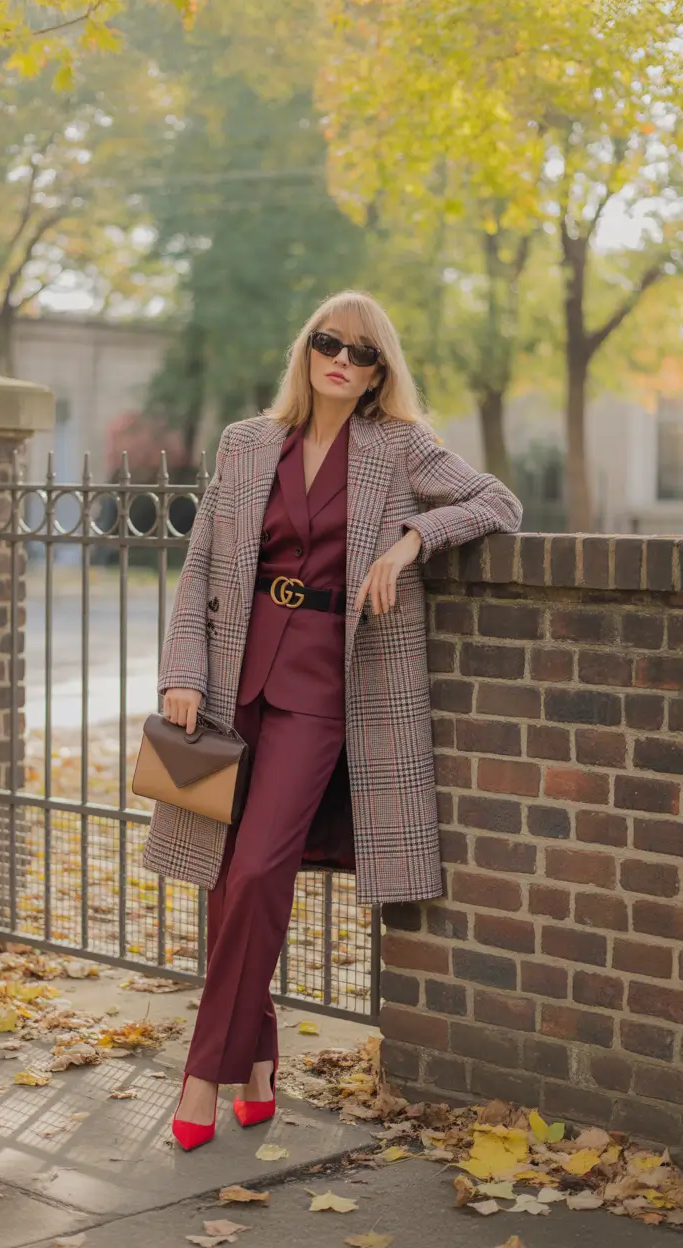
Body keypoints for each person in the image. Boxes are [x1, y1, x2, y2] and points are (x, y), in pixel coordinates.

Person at [142, 290, 522, 1149]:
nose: (342, 360)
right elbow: (200, 563)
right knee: (227, 874)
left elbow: (497, 503)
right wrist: (183, 673)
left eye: (363, 353)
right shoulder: (247, 444)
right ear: (305, 349)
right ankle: (262, 1060)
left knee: (257, 871)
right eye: (328, 343)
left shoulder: (398, 446)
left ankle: (203, 1073)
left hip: (326, 687)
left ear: (381, 371)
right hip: (234, 679)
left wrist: (412, 540)